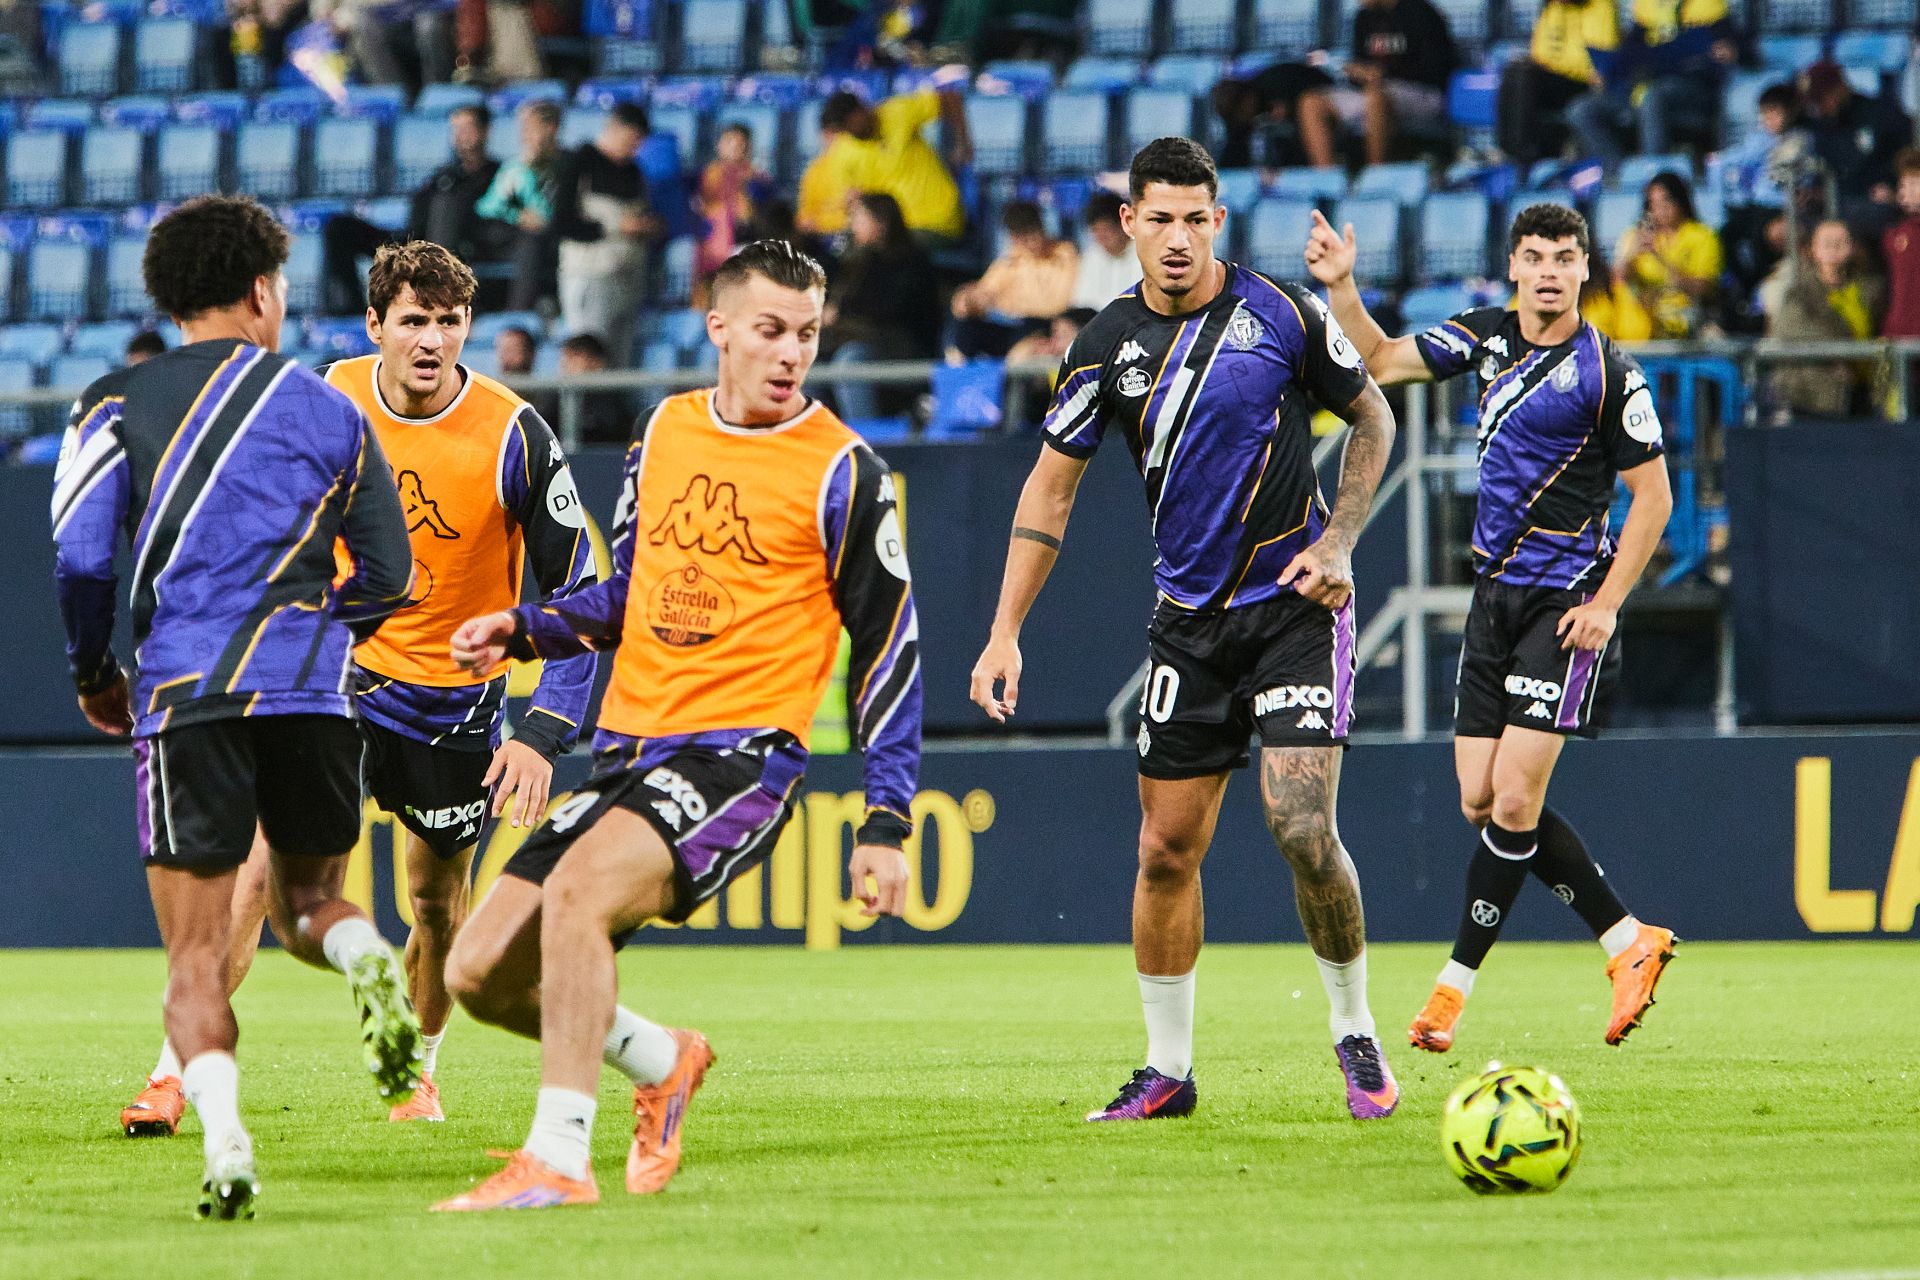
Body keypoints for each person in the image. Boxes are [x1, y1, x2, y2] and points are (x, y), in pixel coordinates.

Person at [430, 240, 923, 1211]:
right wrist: (524, 628)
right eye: (772, 330)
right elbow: (628, 593)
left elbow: (891, 647)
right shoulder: (664, 431)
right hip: (630, 749)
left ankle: (558, 1159)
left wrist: (887, 818)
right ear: (720, 327)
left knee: (577, 895)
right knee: (478, 971)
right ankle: (663, 1059)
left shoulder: (844, 470)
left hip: (740, 755)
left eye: (808, 334)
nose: (792, 352)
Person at [116, 239, 603, 1135]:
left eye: (449, 322)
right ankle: (175, 1072)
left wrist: (542, 733)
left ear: (469, 325)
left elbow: (581, 589)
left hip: (453, 705)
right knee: (255, 872)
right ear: (374, 324)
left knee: (435, 903)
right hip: (336, 677)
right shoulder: (323, 400)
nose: (432, 340)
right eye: (413, 321)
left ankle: (416, 1070)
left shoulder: (515, 434)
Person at [970, 138, 1402, 1124]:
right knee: (1165, 851)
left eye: (1194, 219)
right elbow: (1050, 489)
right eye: (1158, 218)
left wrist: (1339, 540)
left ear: (1219, 221)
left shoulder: (1281, 313)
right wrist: (1004, 630)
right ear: (1128, 223)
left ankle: (1353, 1027)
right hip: (1188, 628)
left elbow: (1374, 419)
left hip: (1294, 608)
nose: (1176, 238)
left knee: (1302, 826)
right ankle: (1167, 1070)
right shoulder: (1102, 346)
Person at [52, 195, 420, 1219]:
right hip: (313, 691)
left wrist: (94, 669)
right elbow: (391, 574)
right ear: (262, 291)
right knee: (308, 907)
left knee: (196, 952)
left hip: (188, 691)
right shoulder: (332, 408)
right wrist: (319, 631)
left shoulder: (112, 402)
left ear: (171, 299)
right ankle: (365, 952)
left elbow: (80, 555)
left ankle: (225, 1143)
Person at [1304, 201, 1679, 1053]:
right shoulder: (1485, 337)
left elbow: (1654, 497)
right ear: (1513, 266)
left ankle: (1452, 989)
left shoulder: (1610, 372)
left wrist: (1607, 604)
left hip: (1565, 605)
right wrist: (1343, 286)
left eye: (1564, 258)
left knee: (1513, 799)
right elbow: (1380, 359)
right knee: (1482, 800)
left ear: (1585, 269)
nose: (1549, 272)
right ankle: (1629, 939)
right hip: (1494, 599)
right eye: (1535, 257)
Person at [324, 104, 501, 314]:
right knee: (339, 228)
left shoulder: (498, 175)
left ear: (486, 130)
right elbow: (416, 214)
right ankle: (351, 311)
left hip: (457, 250)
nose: (461, 135)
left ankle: (439, 293)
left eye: (467, 128)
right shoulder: (444, 176)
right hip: (414, 243)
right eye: (457, 129)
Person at [1568, 0, 1739, 172]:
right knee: (1582, 109)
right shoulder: (1647, 6)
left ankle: (1653, 173)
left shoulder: (1707, 5)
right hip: (1641, 85)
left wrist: (1657, 60)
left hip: (1690, 89)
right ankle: (1616, 174)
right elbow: (1630, 53)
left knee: (1653, 96)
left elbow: (1721, 53)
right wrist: (1609, 73)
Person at [551, 102, 660, 369]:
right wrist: (616, 226)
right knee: (589, 357)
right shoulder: (580, 161)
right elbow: (562, 223)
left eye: (638, 142)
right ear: (613, 127)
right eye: (630, 139)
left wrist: (646, 227)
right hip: (590, 276)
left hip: (628, 279)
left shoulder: (634, 172)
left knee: (618, 364)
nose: (633, 147)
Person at [796, 81, 969, 242]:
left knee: (891, 252)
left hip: (937, 220)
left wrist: (963, 142)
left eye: (851, 122)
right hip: (892, 229)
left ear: (861, 109)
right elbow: (852, 203)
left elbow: (949, 98)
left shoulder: (897, 112)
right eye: (845, 127)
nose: (851, 130)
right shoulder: (844, 153)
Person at [821, 192, 940, 420]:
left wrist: (842, 312)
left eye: (859, 218)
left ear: (882, 223)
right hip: (851, 340)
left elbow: (894, 310)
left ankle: (863, 437)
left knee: (850, 362)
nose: (852, 226)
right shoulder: (855, 260)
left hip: (899, 349)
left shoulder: (911, 260)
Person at [1762, 218, 1885, 418]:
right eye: (1827, 242)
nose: (1834, 247)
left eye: (1841, 241)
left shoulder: (1869, 287)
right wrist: (1841, 353)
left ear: (1852, 246)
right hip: (1813, 396)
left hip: (1863, 392)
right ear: (1814, 249)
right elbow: (1789, 331)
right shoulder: (1800, 292)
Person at [1330, 0, 1457, 167]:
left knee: (1376, 97)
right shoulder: (1363, 17)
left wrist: (1383, 74)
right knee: (1311, 102)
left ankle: (1377, 175)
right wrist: (1358, 72)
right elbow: (1360, 63)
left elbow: (1436, 69)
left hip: (1423, 94)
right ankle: (1328, 178)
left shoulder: (1421, 12)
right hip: (1374, 90)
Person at [1496, 0, 1619, 169]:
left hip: (1582, 83)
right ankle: (1511, 153)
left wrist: (1554, 64)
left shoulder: (1601, 6)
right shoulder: (1553, 8)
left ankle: (1524, 158)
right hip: (1554, 78)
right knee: (1515, 71)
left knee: (1526, 75)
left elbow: (1595, 62)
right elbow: (1539, 53)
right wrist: (1552, 64)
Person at [949, 200, 1079, 358]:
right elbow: (981, 294)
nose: (1031, 243)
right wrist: (969, 300)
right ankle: (957, 371)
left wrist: (1009, 304)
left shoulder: (1064, 255)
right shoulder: (1010, 261)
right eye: (1023, 238)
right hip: (1012, 326)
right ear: (1014, 238)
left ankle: (1013, 369)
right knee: (964, 329)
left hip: (1042, 326)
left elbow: (1059, 304)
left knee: (1029, 331)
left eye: (1034, 234)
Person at [474, 100, 564, 312]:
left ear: (551, 128)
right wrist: (517, 215)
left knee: (532, 240)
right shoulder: (516, 167)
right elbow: (487, 207)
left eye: (531, 129)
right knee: (526, 239)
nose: (525, 136)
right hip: (511, 235)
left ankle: (522, 311)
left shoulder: (566, 165)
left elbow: (548, 213)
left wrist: (531, 174)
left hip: (552, 235)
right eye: (523, 129)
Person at [1613, 171, 1722, 339]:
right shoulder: (1636, 236)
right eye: (1653, 203)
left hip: (1687, 319)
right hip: (1644, 321)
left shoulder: (1703, 236)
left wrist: (1659, 258)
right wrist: (1632, 254)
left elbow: (1705, 287)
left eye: (1666, 201)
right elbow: (1617, 279)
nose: (1660, 210)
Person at [695, 123, 774, 305]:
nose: (736, 147)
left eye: (741, 143)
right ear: (719, 145)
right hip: (711, 248)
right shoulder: (706, 176)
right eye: (730, 141)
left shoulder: (758, 179)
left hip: (744, 245)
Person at [1210, 61, 1339, 171]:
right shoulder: (1243, 120)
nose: (1241, 116)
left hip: (1326, 100)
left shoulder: (1275, 82)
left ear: (1246, 99)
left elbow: (1313, 94)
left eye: (1241, 110)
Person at [555, 331, 635, 443]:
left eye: (574, 356)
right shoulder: (556, 397)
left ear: (597, 362)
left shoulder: (612, 401)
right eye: (565, 356)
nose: (565, 363)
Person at [1071, 192, 1138, 311]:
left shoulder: (1143, 254)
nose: (1102, 238)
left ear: (1124, 225)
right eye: (1096, 231)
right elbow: (1081, 301)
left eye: (1106, 230)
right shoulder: (1092, 255)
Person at [1881, 148, 1920, 341]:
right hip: (1901, 339)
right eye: (1903, 185)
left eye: (1913, 184)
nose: (1905, 191)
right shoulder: (1896, 234)